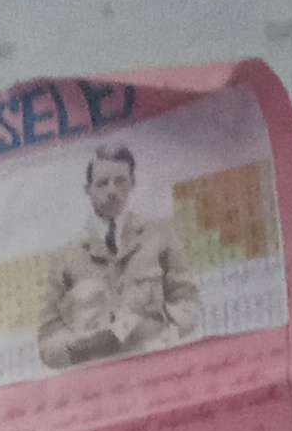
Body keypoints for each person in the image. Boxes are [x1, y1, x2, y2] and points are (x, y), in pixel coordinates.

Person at [37, 141, 201, 370]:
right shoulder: (66, 258)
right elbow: (47, 339)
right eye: (102, 183)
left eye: (120, 181)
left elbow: (189, 303)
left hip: (157, 368)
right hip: (98, 379)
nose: (112, 191)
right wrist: (79, 346)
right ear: (88, 189)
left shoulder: (160, 237)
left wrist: (158, 325)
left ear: (132, 183)